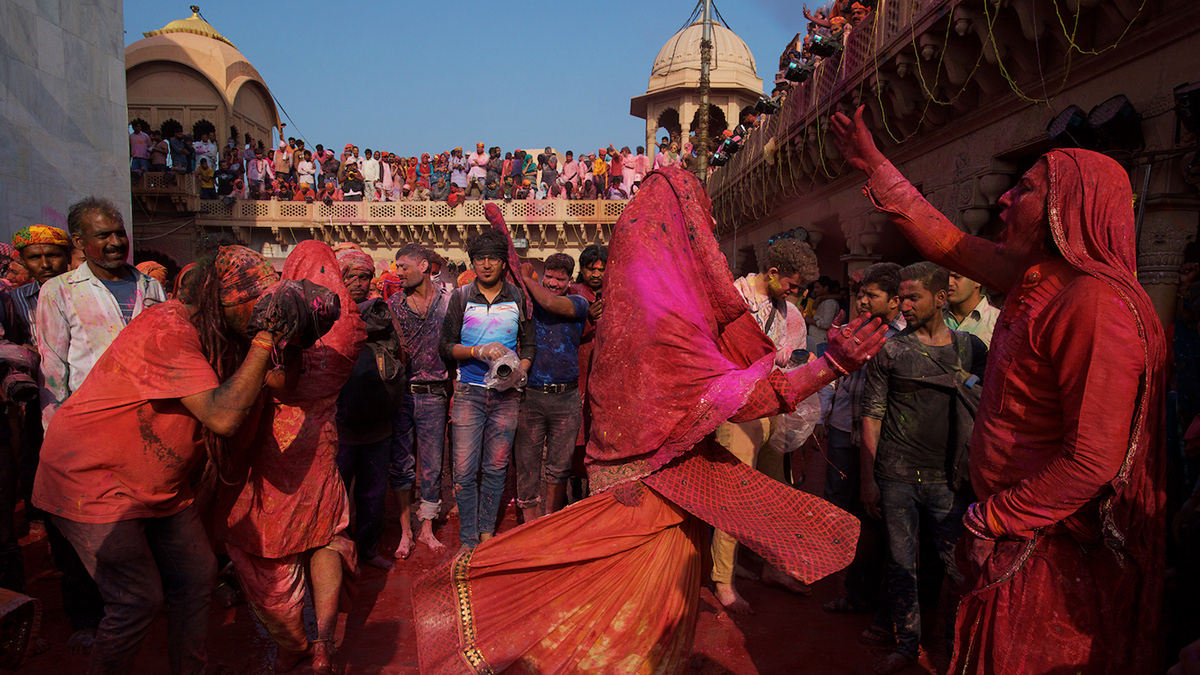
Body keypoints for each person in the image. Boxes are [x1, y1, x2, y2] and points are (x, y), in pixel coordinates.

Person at [411, 166, 887, 673]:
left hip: (625, 486)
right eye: (698, 223)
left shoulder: (623, 307)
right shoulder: (670, 319)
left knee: (609, 619)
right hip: (656, 499)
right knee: (637, 630)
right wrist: (829, 366)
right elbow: (746, 401)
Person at [833, 105, 1166, 673]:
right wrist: (873, 164)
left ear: (1067, 210)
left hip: (1050, 552)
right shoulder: (1036, 281)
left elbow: (1093, 460)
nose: (1006, 199)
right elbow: (947, 243)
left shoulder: (1092, 304)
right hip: (1017, 535)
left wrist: (993, 520)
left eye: (1027, 189)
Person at [32, 244, 284, 674]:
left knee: (198, 575)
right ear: (222, 301)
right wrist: (266, 338)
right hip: (92, 480)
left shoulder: (221, 333)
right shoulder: (167, 329)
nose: (265, 314)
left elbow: (276, 380)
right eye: (257, 306)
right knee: (136, 599)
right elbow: (224, 417)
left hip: (158, 484)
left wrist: (287, 337)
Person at [217, 241, 365, 675]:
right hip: (322, 441)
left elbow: (277, 383)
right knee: (325, 536)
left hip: (276, 446)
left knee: (273, 546)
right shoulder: (349, 323)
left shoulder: (282, 320)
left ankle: (291, 640)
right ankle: (324, 644)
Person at [860, 262, 987, 674]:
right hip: (896, 474)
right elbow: (872, 415)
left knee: (957, 565)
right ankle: (907, 644)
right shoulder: (890, 350)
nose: (905, 305)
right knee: (900, 564)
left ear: (940, 297)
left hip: (949, 479)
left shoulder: (971, 349)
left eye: (913, 297)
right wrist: (869, 478)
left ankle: (953, 645)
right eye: (902, 297)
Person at [710, 238, 819, 615]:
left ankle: (772, 566)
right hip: (736, 410)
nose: (796, 292)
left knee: (776, 493)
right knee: (736, 495)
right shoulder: (732, 300)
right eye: (791, 284)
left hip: (774, 411)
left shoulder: (790, 314)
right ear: (772, 273)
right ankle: (723, 579)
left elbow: (793, 368)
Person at [439, 228, 535, 550]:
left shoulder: (518, 298)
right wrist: (477, 351)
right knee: (464, 471)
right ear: (473, 262)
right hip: (469, 393)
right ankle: (469, 538)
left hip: (506, 396)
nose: (487, 264)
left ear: (503, 263)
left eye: (493, 258)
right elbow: (446, 347)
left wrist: (521, 369)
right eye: (480, 258)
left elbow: (530, 344)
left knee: (495, 468)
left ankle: (485, 534)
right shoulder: (461, 297)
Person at [820, 262, 905, 623]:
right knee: (840, 508)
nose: (863, 301)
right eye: (861, 294)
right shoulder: (852, 331)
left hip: (877, 442)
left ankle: (864, 591)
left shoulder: (902, 340)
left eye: (873, 295)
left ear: (895, 301)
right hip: (842, 429)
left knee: (871, 517)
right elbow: (836, 377)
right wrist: (824, 417)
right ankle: (849, 583)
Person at [36, 198, 166, 429]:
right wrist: (55, 432)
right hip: (90, 420)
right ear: (79, 241)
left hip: (149, 415)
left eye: (120, 233)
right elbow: (53, 370)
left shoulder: (150, 286)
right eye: (103, 235)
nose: (115, 242)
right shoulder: (59, 291)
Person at [335, 249, 403, 571]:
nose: (360, 284)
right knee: (338, 496)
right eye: (353, 277)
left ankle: (369, 550)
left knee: (373, 494)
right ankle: (340, 553)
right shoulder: (328, 314)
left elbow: (399, 357)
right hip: (341, 427)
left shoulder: (381, 314)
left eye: (365, 277)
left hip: (378, 425)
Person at [387, 244, 453, 555]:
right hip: (401, 396)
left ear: (424, 266)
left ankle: (426, 528)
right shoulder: (392, 306)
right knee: (401, 464)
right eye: (397, 267)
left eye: (403, 266)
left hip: (435, 394)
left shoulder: (449, 301)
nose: (398, 273)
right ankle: (405, 532)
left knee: (431, 466)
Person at [513, 253, 589, 522]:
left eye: (560, 278)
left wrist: (527, 279)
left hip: (566, 398)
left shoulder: (578, 303)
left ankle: (550, 520)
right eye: (550, 277)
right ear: (543, 275)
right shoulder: (529, 300)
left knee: (559, 466)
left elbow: (550, 301)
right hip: (531, 395)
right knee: (527, 463)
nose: (554, 283)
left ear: (570, 281)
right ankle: (530, 523)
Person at [567, 244, 606, 499]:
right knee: (575, 433)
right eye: (591, 269)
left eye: (601, 270)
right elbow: (563, 337)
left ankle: (596, 490)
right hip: (578, 374)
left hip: (604, 377)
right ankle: (574, 492)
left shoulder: (615, 293)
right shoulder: (571, 295)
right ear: (581, 270)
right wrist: (587, 318)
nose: (596, 274)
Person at [944, 272, 1000, 347]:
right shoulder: (933, 316)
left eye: (957, 277)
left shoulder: (997, 322)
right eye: (946, 277)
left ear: (977, 281)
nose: (949, 282)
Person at [806, 276, 841, 355]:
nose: (815, 290)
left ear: (825, 288)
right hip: (817, 342)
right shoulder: (823, 301)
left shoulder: (830, 303)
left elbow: (826, 324)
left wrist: (810, 321)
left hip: (822, 342)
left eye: (817, 287)